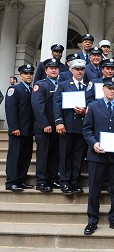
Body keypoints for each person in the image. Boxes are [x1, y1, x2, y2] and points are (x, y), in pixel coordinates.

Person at [82, 77, 114, 235]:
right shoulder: (93, 106)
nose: (111, 91)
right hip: (97, 155)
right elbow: (87, 130)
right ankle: (92, 220)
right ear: (103, 89)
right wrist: (93, 143)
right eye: (109, 88)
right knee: (94, 189)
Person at [54, 59, 92, 195]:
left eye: (82, 69)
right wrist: (59, 122)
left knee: (78, 156)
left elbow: (91, 104)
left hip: (81, 127)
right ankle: (64, 181)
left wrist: (85, 110)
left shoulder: (87, 87)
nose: (80, 72)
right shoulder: (63, 85)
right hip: (67, 126)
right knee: (65, 155)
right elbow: (57, 104)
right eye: (77, 69)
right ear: (72, 70)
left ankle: (75, 181)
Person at [31, 58, 61, 192]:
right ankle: (41, 181)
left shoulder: (61, 84)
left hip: (57, 127)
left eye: (56, 68)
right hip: (44, 127)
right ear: (46, 70)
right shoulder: (41, 85)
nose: (54, 70)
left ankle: (52, 179)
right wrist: (44, 124)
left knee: (54, 154)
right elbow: (38, 107)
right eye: (51, 68)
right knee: (43, 155)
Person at [5, 64, 35, 192]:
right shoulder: (14, 89)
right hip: (18, 130)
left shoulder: (32, 89)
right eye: (26, 73)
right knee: (14, 156)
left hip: (28, 130)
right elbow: (10, 110)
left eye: (31, 73)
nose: (29, 75)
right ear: (21, 75)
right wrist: (13, 127)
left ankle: (21, 180)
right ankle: (11, 182)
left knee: (25, 156)